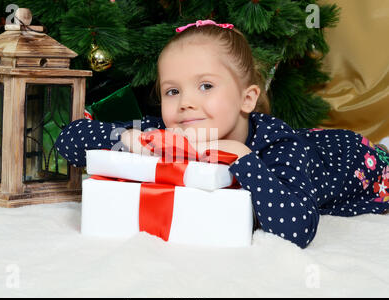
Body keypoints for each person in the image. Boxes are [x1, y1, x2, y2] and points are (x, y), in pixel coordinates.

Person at [55, 20, 389, 248]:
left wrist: (242, 156)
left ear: (248, 98)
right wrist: (130, 139)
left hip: (351, 158)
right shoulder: (172, 131)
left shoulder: (278, 145)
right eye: (172, 91)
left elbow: (297, 229)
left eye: (205, 86)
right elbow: (69, 140)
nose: (186, 102)